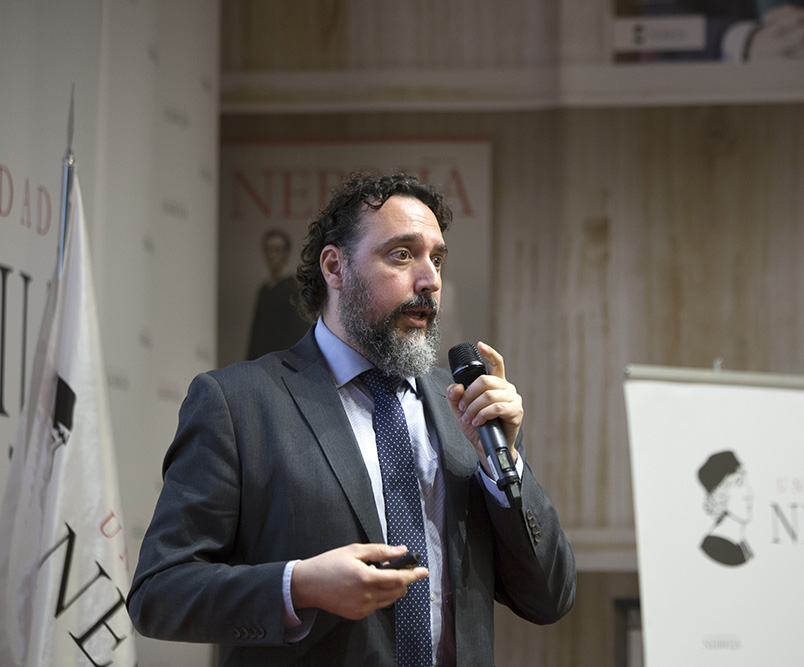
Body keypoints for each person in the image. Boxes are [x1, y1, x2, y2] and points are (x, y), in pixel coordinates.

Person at [127, 173, 576, 667]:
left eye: (437, 259)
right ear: (334, 267)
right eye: (402, 255)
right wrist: (298, 585)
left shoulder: (467, 409)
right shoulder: (238, 404)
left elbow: (550, 596)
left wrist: (502, 461)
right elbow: (159, 593)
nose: (429, 280)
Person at [246, 228, 310, 360]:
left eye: (277, 250)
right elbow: (256, 332)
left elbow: (296, 333)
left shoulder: (293, 289)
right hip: (261, 361)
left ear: (286, 253)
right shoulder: (264, 290)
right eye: (268, 249)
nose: (272, 255)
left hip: (282, 362)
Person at [698, 450, 754, 566]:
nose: (749, 494)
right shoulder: (717, 547)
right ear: (720, 495)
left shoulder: (740, 544)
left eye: (745, 481)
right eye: (739, 483)